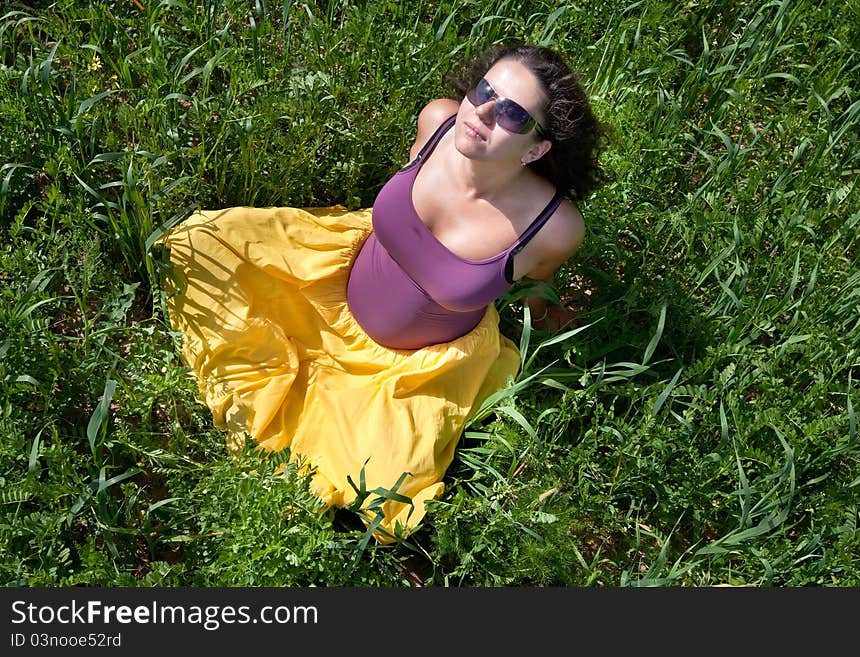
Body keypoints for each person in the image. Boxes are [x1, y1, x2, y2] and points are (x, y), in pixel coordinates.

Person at [161, 44, 609, 542]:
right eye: (485, 90)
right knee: (201, 247)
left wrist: (548, 320)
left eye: (512, 113)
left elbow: (535, 288)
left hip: (412, 371)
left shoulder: (553, 225)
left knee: (382, 489)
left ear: (535, 148)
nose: (481, 111)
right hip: (325, 288)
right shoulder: (438, 121)